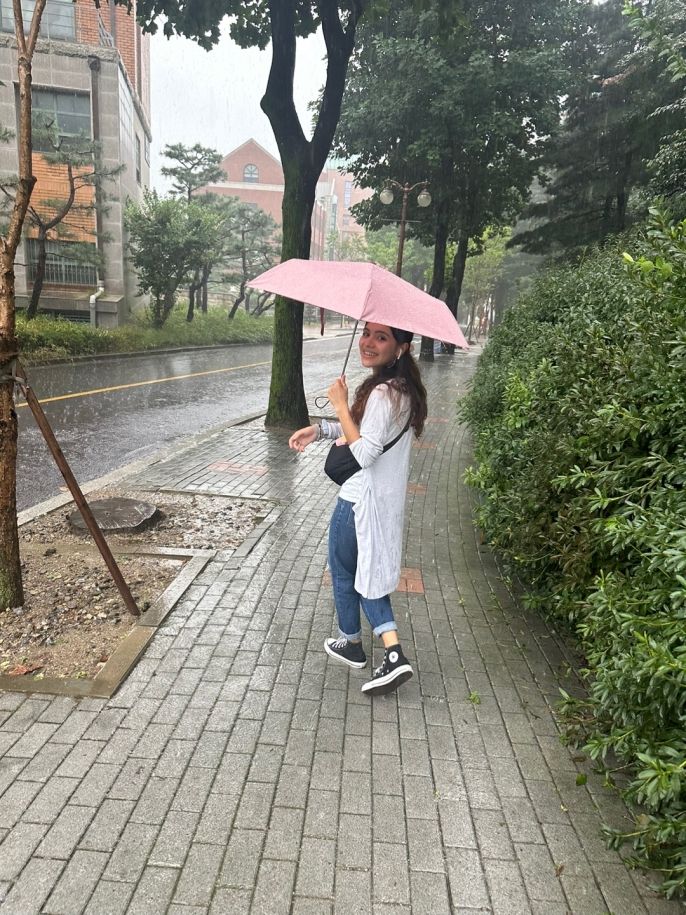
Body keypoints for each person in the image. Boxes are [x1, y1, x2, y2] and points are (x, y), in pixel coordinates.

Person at [288, 322, 427, 696]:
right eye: (366, 333)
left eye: (381, 337)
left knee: (347, 574)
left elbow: (364, 452)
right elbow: (364, 433)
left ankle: (373, 648)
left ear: (401, 347)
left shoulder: (384, 393)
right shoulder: (401, 390)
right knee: (361, 572)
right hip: (379, 502)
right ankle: (368, 647)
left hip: (357, 502)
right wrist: (319, 430)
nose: (368, 342)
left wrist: (338, 405)